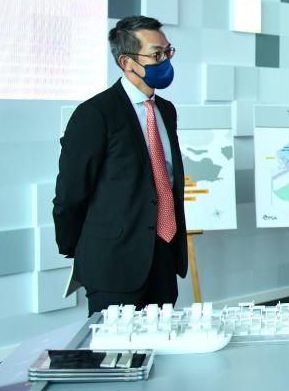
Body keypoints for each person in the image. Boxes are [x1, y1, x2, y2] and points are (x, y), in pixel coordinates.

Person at [53, 16, 188, 314]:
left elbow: (165, 180)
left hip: (163, 255)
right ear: (126, 62)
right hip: (113, 262)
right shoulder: (94, 114)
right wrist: (81, 248)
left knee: (163, 341)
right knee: (113, 344)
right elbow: (70, 194)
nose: (165, 61)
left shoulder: (166, 111)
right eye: (156, 54)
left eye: (168, 52)